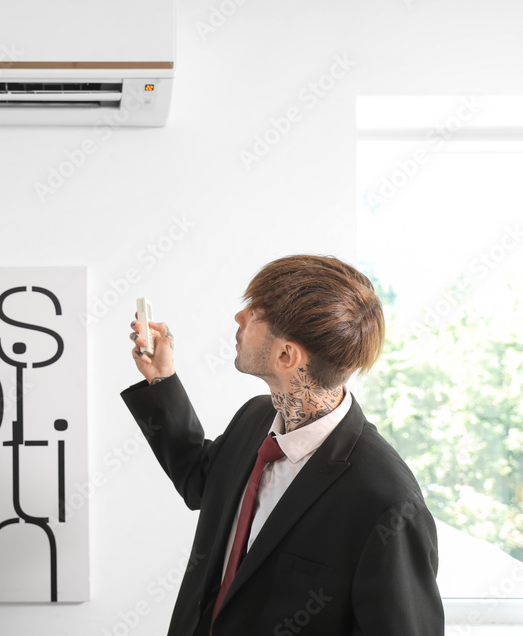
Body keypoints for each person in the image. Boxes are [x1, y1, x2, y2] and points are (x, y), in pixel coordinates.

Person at [120, 254, 443, 636]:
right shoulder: (255, 418)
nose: (239, 318)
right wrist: (162, 379)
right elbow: (202, 483)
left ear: (286, 355)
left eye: (254, 314)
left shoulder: (386, 502)